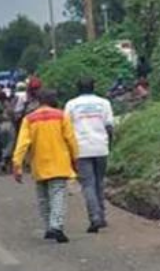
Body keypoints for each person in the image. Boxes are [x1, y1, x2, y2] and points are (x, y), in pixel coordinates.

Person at [11, 89, 78, 243]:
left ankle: (49, 227)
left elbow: (22, 144)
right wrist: (76, 159)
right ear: (54, 100)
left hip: (39, 165)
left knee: (43, 198)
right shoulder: (61, 116)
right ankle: (57, 226)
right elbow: (71, 140)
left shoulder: (29, 119)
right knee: (57, 196)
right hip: (60, 163)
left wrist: (17, 164)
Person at [64, 77, 115, 233]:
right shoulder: (104, 103)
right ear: (94, 87)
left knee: (88, 185)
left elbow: (66, 129)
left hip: (81, 148)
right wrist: (109, 145)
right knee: (99, 182)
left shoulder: (71, 105)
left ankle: (95, 217)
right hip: (101, 147)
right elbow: (110, 127)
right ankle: (102, 215)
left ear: (77, 88)